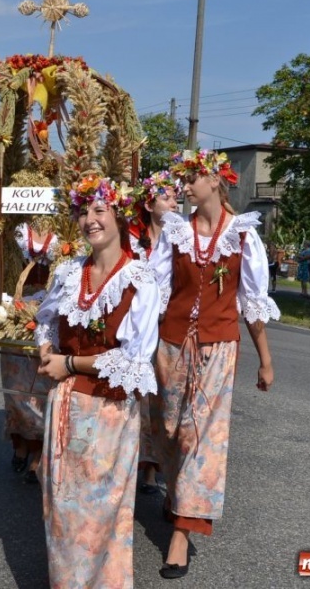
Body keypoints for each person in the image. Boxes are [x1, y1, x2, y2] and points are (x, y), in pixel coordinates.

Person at [150, 150, 278, 579]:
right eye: (183, 181)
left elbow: (253, 305)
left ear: (216, 182)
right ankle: (175, 493)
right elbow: (154, 294)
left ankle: (183, 533)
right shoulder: (175, 232)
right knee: (169, 427)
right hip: (170, 346)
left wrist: (265, 360)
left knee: (202, 434)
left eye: (191, 179)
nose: (184, 188)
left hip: (219, 349)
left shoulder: (243, 236)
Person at [35, 175, 160, 589]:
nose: (89, 220)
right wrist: (46, 347)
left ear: (121, 216)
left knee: (98, 511)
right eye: (84, 211)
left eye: (99, 210)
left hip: (107, 411)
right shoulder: (72, 272)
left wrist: (69, 363)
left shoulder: (140, 279)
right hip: (66, 405)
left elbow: (134, 360)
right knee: (62, 508)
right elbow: (46, 321)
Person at [132, 169, 181, 495]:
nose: (175, 201)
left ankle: (155, 466)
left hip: (169, 329)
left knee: (164, 400)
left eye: (177, 196)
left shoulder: (183, 239)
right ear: (149, 205)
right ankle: (136, 463)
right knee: (137, 398)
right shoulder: (132, 239)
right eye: (167, 197)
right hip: (136, 329)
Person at [1, 219, 57, 484]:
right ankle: (20, 442)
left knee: (41, 392)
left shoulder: (65, 230)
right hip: (17, 310)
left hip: (48, 315)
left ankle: (38, 451)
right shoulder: (17, 228)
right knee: (17, 390)